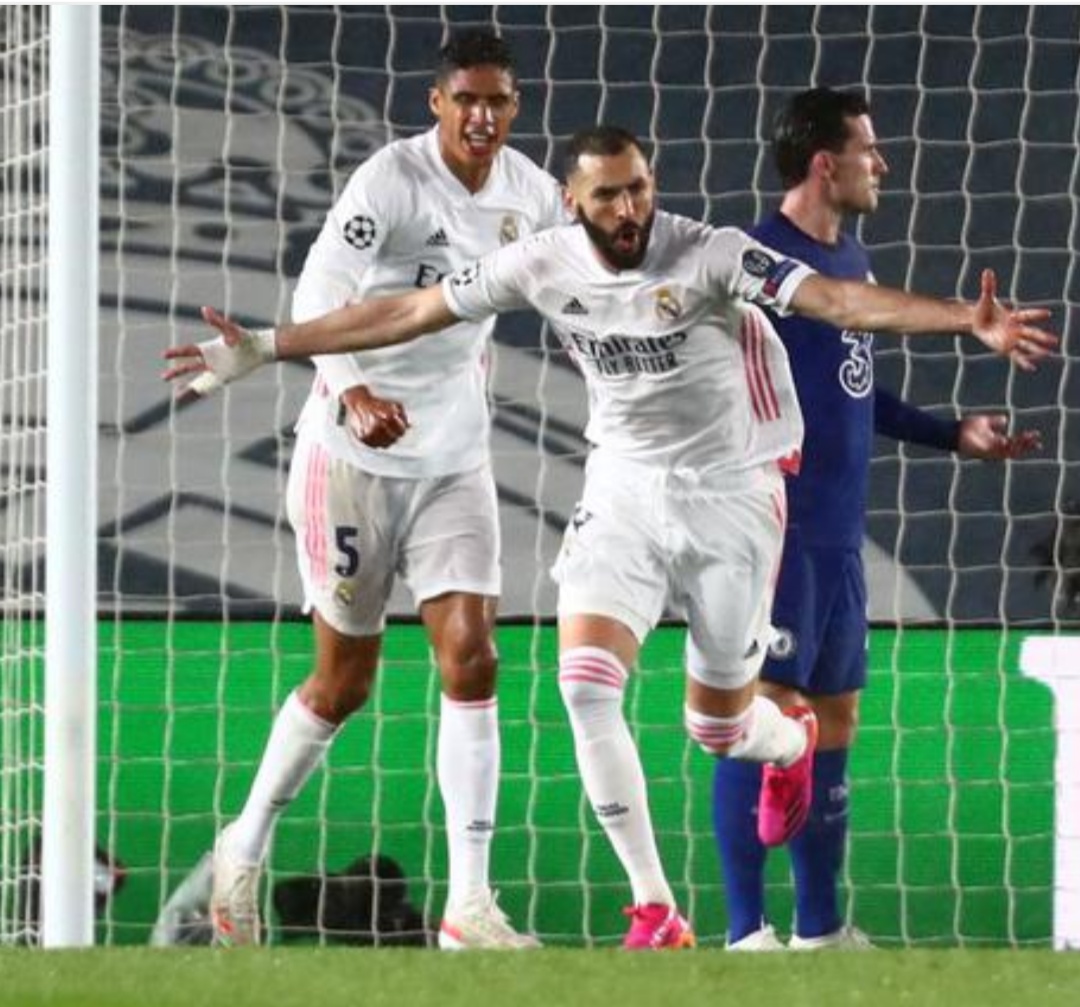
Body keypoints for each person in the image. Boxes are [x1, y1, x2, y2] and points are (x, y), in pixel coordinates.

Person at [164, 125, 1055, 950]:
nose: (628, 211)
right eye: (607, 196)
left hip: (731, 495)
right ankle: (655, 906)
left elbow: (837, 300)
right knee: (585, 685)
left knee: (718, 727)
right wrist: (271, 345)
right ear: (572, 201)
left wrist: (961, 318)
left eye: (638, 190)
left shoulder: (710, 253)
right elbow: (407, 310)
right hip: (624, 488)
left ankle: (785, 740)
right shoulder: (539, 262)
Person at [191, 30, 566, 950]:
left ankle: (469, 905)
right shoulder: (392, 180)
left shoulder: (532, 194)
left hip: (454, 461)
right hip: (350, 461)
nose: (482, 116)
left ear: (515, 107)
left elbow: (580, 281)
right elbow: (321, 287)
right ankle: (244, 842)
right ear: (438, 102)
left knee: (472, 656)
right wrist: (353, 390)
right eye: (466, 99)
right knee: (343, 682)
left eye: (498, 101)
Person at [711, 87, 1044, 953]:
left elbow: (853, 386)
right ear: (826, 163)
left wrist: (950, 433)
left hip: (838, 537)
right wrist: (964, 322)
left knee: (834, 721)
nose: (882, 163)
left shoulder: (851, 258)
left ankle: (819, 927)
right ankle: (746, 933)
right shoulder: (756, 260)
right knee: (763, 718)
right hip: (775, 532)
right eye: (868, 149)